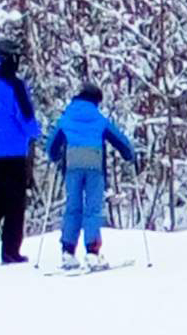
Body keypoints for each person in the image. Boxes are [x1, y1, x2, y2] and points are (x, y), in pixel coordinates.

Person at [44, 83, 137, 270]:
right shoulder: (99, 119)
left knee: (73, 207)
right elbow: (119, 140)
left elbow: (52, 145)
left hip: (72, 166)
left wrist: (55, 158)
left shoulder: (66, 118)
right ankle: (92, 252)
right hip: (95, 165)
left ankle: (68, 252)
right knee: (93, 209)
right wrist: (129, 155)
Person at [0, 38, 41, 264]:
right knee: (14, 204)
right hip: (13, 154)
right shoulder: (14, 85)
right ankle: (11, 250)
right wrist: (36, 133)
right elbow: (26, 118)